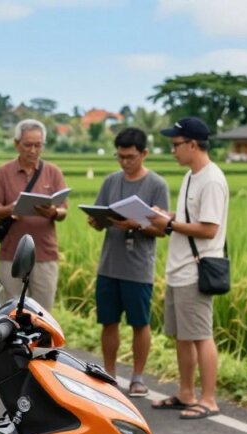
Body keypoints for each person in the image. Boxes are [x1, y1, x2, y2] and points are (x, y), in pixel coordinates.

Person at [146, 117, 229, 420]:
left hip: (197, 270)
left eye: (177, 145)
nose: (173, 151)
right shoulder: (191, 176)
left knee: (200, 335)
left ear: (193, 145)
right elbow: (188, 218)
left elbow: (208, 229)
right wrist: (164, 215)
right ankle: (186, 393)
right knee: (182, 336)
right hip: (179, 269)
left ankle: (208, 400)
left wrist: (167, 224)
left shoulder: (212, 180)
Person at [86, 128, 169, 398]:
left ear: (144, 154)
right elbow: (101, 219)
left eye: (130, 157)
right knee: (108, 321)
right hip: (110, 264)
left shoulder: (157, 185)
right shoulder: (111, 182)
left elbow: (163, 229)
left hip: (138, 267)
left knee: (139, 323)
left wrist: (137, 224)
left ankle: (137, 377)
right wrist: (96, 220)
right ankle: (109, 374)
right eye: (120, 157)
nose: (124, 162)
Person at [0, 119, 68, 311]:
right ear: (16, 144)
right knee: (11, 311)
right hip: (11, 253)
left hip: (45, 253)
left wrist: (53, 212)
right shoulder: (2, 173)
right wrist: (11, 208)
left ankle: (37, 343)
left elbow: (64, 210)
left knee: (42, 313)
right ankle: (13, 343)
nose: (32, 150)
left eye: (38, 145)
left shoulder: (53, 172)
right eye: (27, 145)